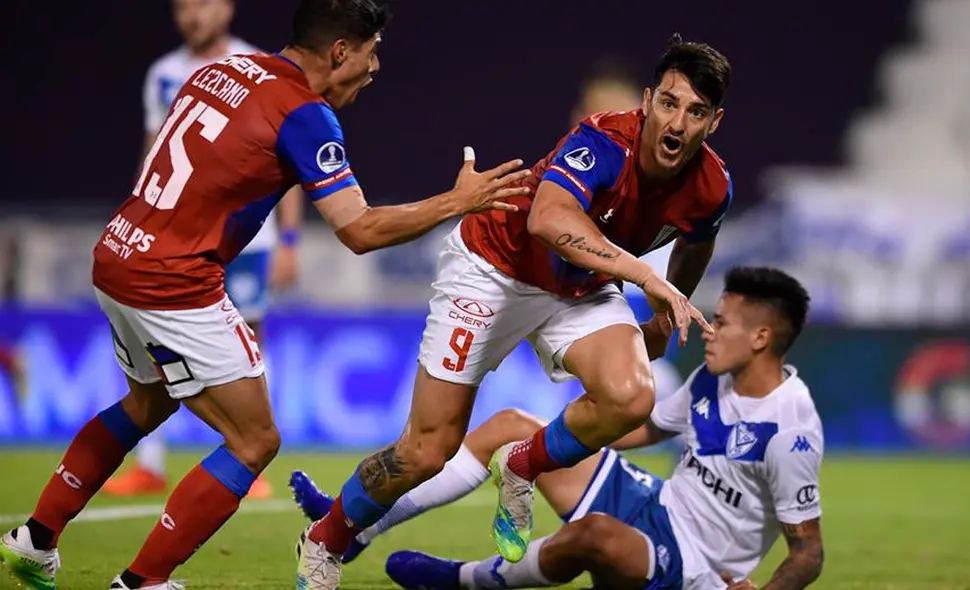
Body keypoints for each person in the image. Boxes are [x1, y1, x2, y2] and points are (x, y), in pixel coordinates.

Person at [0, 0, 530, 588]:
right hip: (174, 281)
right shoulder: (305, 115)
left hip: (119, 253)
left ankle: (35, 539)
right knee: (254, 440)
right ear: (340, 52)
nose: (375, 68)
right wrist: (457, 202)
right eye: (372, 52)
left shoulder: (217, 72)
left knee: (146, 403)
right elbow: (358, 229)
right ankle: (142, 582)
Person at [296, 34, 731, 588]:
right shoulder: (602, 140)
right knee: (426, 450)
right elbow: (547, 221)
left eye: (695, 113)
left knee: (632, 395)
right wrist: (647, 276)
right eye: (668, 104)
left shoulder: (712, 185)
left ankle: (523, 463)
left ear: (713, 122)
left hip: (579, 286)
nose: (676, 124)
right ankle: (327, 537)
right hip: (493, 268)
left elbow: (697, 239)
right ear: (648, 100)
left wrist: (667, 315)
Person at [294, 266, 825, 590]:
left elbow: (808, 552)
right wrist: (558, 441)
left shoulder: (791, 428)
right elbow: (641, 431)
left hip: (693, 568)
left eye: (722, 322)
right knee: (512, 428)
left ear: (760, 338)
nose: (708, 328)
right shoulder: (714, 380)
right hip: (654, 504)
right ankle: (363, 529)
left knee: (591, 537)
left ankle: (462, 580)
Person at [103, 0, 297, 501]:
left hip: (247, 236)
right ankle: (150, 464)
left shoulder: (256, 68)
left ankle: (244, 455)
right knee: (152, 343)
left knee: (250, 336)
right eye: (182, 5)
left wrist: (291, 241)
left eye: (202, 3)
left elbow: (289, 162)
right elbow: (155, 149)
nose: (191, 14)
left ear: (228, 9)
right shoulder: (162, 74)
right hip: (174, 236)